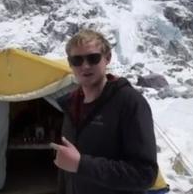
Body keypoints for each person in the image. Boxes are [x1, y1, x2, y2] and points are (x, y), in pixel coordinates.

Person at [50, 29, 159, 194]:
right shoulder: (71, 105)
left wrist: (82, 164)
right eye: (77, 60)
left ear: (107, 58)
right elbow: (68, 169)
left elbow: (145, 174)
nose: (85, 66)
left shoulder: (129, 102)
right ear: (70, 63)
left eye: (93, 58)